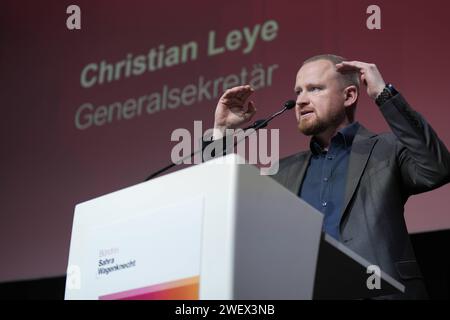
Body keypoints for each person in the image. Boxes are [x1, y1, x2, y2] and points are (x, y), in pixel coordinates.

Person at [209, 54, 450, 299]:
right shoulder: (281, 172)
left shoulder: (387, 150)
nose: (301, 100)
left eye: (314, 89)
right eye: (298, 91)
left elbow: (436, 169)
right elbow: (226, 209)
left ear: (349, 96)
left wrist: (384, 96)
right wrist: (221, 133)